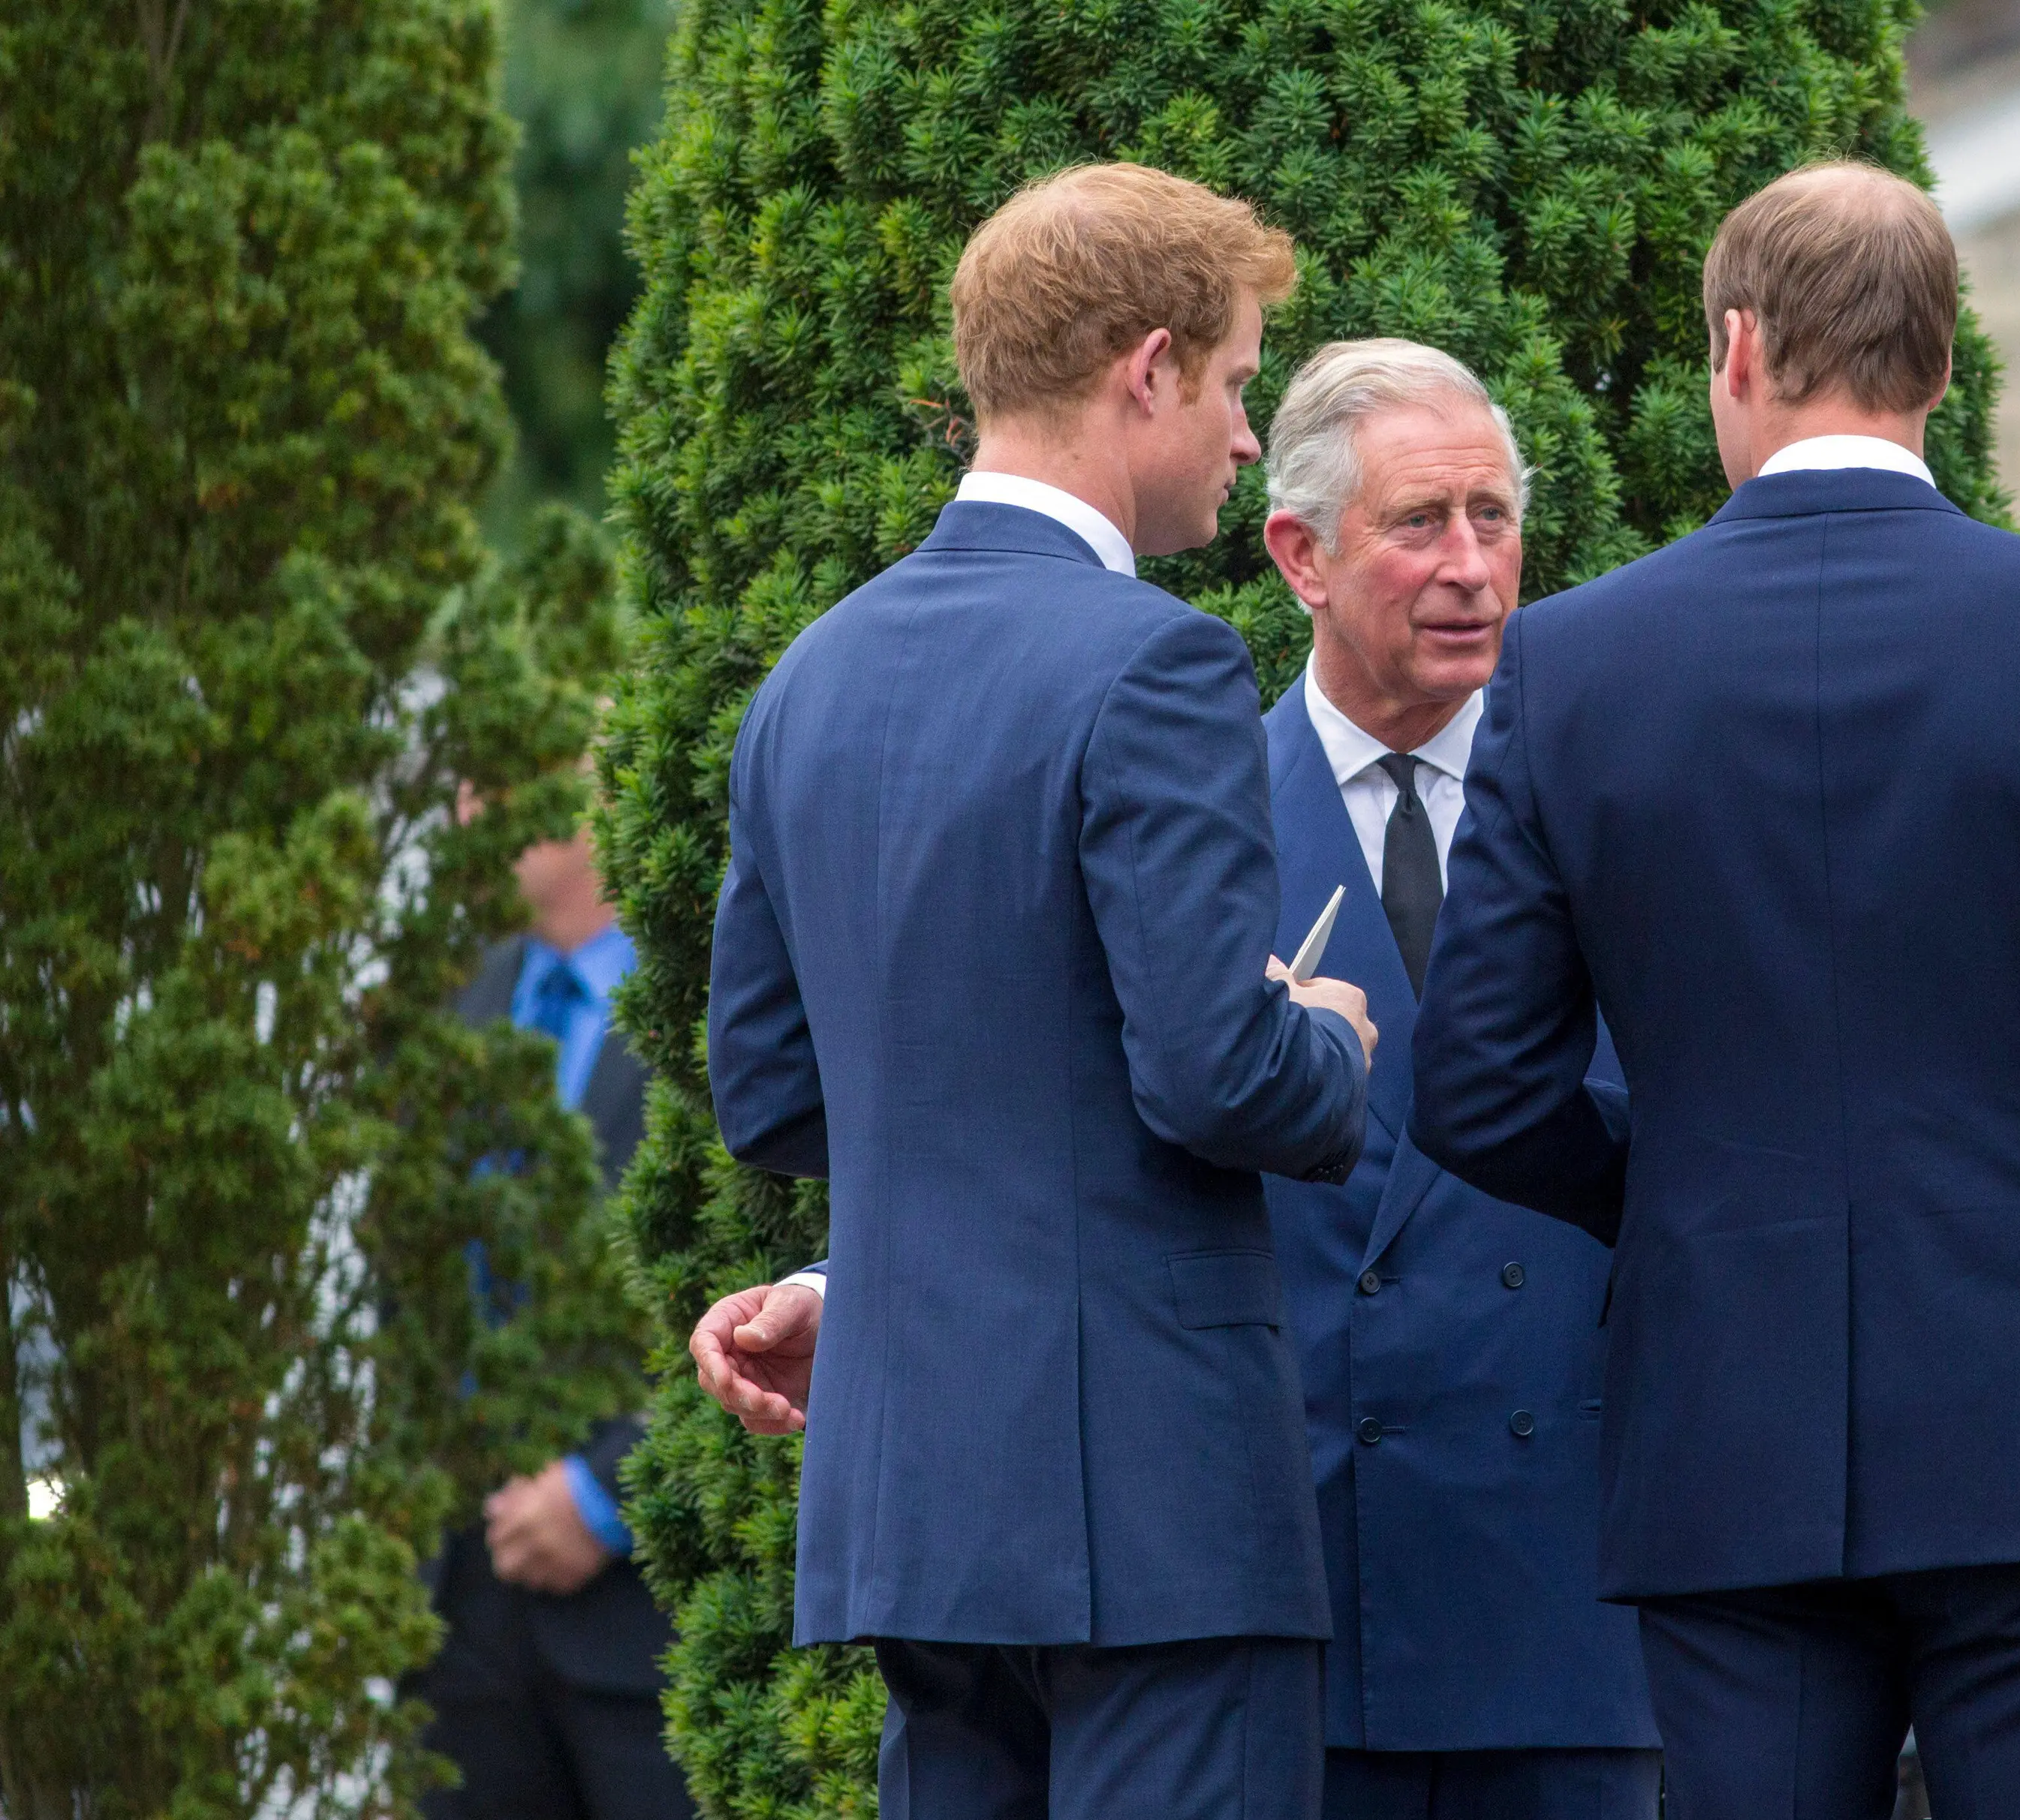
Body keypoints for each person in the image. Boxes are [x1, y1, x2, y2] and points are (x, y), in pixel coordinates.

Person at [1410, 161, 2020, 1820]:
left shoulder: (1574, 662)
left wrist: (1690, 1191)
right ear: (1943, 364)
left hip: (1726, 1429)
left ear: (1739, 349)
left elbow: (1478, 1085)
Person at [686, 163, 1377, 1820]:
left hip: (920, 1508)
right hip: (1157, 1514)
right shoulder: (1155, 659)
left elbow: (773, 1089)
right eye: (1227, 385)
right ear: (1145, 369)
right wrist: (1326, 1037)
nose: (1236, 436)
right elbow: (1219, 1080)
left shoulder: (809, 678)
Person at [1254, 340, 1661, 1819]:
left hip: (1575, 1607)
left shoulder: (1633, 813)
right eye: (1421, 523)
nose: (1474, 567)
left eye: (1496, 517)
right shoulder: (1188, 833)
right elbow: (1063, 1150)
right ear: (1300, 553)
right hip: (1305, 1614)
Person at [416, 820, 691, 1820]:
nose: (464, 808)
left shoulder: (701, 1002)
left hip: (644, 1615)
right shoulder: (463, 1003)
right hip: (463, 1612)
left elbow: (754, 1287)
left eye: (491, 783)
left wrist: (605, 1494)